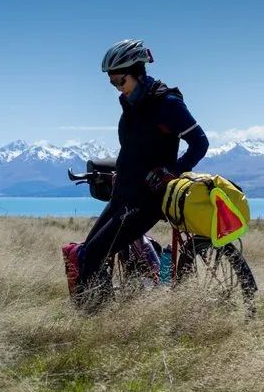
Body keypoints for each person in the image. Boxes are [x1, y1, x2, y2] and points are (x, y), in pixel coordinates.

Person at [76, 39, 210, 306]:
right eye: (112, 83)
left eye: (121, 81)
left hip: (147, 199)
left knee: (93, 256)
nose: (118, 88)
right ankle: (106, 306)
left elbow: (200, 143)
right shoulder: (131, 105)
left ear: (138, 72)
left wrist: (171, 170)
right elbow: (135, 150)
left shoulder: (166, 104)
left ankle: (92, 320)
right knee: (85, 254)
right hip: (123, 194)